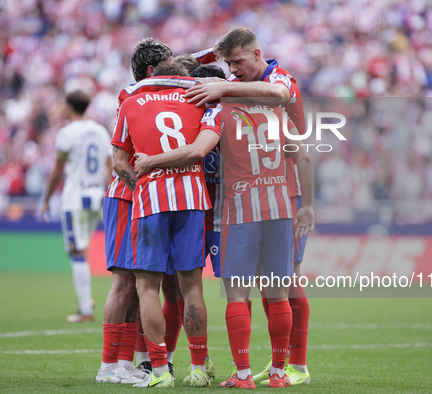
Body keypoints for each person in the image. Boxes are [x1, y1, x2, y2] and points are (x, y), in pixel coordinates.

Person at [184, 27, 312, 385]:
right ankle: (279, 369)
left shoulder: (275, 80)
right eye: (227, 65)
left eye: (237, 62)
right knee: (278, 285)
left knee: (283, 284)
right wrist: (201, 59)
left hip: (279, 195)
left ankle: (294, 366)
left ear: (258, 55)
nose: (232, 70)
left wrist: (224, 86)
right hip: (279, 196)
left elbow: (280, 93)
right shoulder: (241, 92)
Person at [115, 63, 220, 388]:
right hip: (192, 198)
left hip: (151, 201)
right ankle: (199, 368)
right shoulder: (198, 99)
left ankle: (159, 371)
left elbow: (119, 162)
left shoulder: (131, 101)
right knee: (191, 288)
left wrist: (140, 186)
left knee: (148, 289)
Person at [95, 37, 173, 384]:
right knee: (124, 283)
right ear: (153, 71)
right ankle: (109, 366)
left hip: (141, 198)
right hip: (128, 197)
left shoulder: (147, 97)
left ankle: (125, 362)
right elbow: (119, 163)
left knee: (140, 283)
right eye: (169, 66)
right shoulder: (134, 95)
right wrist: (145, 192)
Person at [41, 89, 113, 323]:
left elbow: (57, 171)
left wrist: (46, 199)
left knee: (76, 252)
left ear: (69, 107)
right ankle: (88, 306)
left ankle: (85, 309)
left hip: (75, 197)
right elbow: (110, 166)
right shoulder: (100, 131)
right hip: (97, 196)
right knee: (85, 249)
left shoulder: (66, 133)